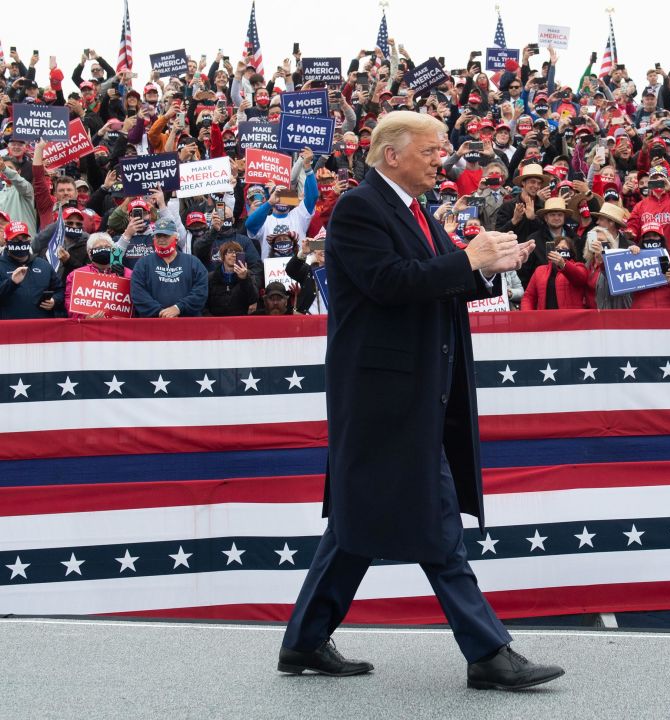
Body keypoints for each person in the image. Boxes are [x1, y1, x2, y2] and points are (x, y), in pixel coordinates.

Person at [279, 111, 563, 690]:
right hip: (384, 396)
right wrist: (470, 260)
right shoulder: (360, 208)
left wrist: (491, 269)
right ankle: (488, 652)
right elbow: (391, 282)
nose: (443, 159)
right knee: (435, 520)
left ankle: (305, 640)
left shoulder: (415, 210)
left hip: (410, 391)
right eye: (433, 150)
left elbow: (435, 274)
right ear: (392, 155)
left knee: (355, 525)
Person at [130, 217, 209, 318]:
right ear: (153, 238)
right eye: (158, 236)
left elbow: (201, 292)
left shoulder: (193, 263)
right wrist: (161, 312)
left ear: (176, 238)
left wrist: (178, 308)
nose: (161, 239)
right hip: (153, 325)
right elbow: (138, 293)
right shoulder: (143, 264)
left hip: (187, 325)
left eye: (166, 235)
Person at [0, 221, 63, 319]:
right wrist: (11, 283)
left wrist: (55, 300)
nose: (21, 242)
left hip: (40, 328)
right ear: (6, 242)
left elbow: (60, 290)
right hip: (10, 329)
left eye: (24, 238)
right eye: (15, 240)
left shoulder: (43, 265)